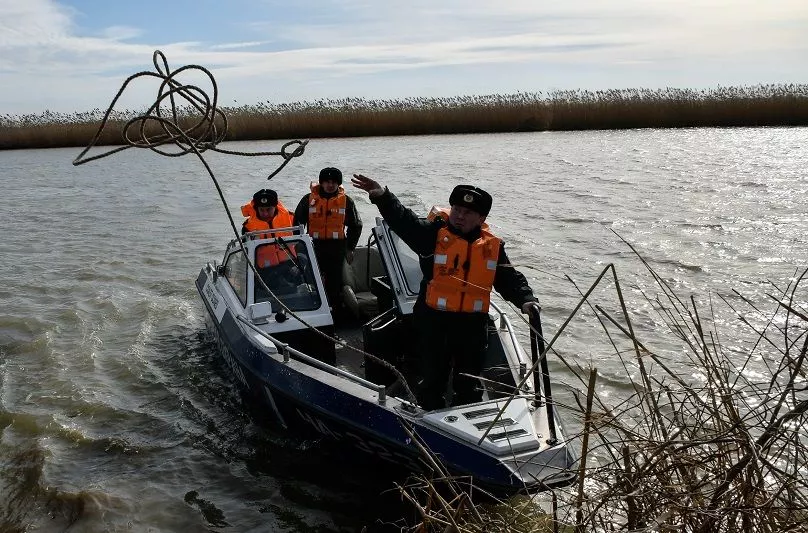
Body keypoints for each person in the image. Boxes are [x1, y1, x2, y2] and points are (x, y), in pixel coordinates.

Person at [351, 174, 542, 410]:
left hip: (472, 325)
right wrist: (383, 197)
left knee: (469, 382)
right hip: (435, 323)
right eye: (457, 209)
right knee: (432, 379)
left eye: (467, 212)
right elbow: (404, 221)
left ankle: (469, 420)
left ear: (481, 218)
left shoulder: (492, 247)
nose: (460, 216)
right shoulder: (432, 235)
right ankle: (431, 418)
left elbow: (509, 279)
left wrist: (527, 300)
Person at [293, 167, 362, 317]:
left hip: (337, 248)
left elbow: (356, 225)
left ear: (338, 184)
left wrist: (350, 248)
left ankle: (335, 314)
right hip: (314, 245)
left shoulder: (346, 201)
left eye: (333, 182)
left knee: (334, 283)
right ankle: (315, 312)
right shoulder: (308, 200)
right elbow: (297, 223)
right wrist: (299, 246)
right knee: (313, 280)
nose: (330, 185)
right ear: (322, 183)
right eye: (327, 182)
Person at [242, 188, 302, 295]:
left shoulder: (292, 219)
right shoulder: (248, 228)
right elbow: (246, 253)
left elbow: (301, 243)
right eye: (262, 210)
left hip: (290, 265)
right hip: (264, 270)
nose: (265, 213)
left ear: (275, 207)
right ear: (256, 209)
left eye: (269, 209)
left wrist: (299, 264)